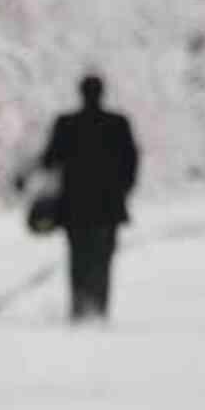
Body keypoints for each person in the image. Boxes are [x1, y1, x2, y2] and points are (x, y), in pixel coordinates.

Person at [20, 74, 139, 322]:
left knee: (78, 257)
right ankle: (99, 309)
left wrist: (25, 176)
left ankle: (79, 308)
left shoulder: (67, 124)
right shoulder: (118, 124)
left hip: (75, 206)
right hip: (109, 206)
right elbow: (131, 161)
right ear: (102, 92)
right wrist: (123, 190)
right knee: (103, 258)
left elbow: (49, 158)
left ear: (81, 93)